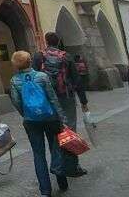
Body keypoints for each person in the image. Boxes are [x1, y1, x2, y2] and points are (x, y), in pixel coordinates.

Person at [9, 50, 69, 196]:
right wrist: (62, 118)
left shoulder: (15, 80)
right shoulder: (42, 76)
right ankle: (61, 178)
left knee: (38, 154)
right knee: (55, 147)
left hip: (31, 121)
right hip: (50, 118)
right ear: (30, 61)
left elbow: (16, 102)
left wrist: (26, 113)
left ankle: (45, 190)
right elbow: (53, 98)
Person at [34, 33, 86, 178]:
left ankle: (58, 165)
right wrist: (83, 101)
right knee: (69, 131)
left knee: (54, 133)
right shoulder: (66, 56)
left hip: (47, 99)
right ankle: (73, 166)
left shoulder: (39, 57)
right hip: (66, 97)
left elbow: (34, 79)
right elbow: (76, 80)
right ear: (59, 42)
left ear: (46, 41)